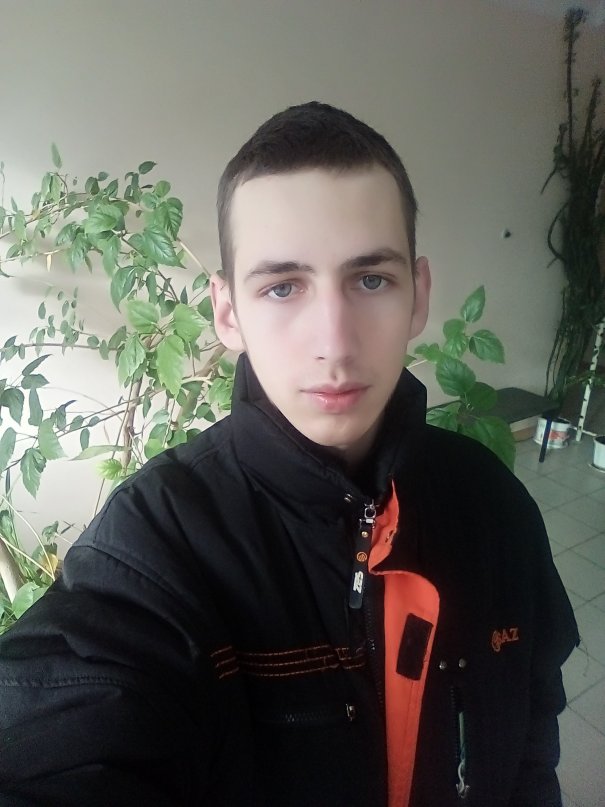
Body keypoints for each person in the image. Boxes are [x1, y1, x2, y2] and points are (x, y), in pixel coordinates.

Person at [0, 102, 578, 807]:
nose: (333, 341)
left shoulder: (491, 502)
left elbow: (532, 732)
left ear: (418, 294)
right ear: (227, 312)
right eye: (281, 287)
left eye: (371, 279)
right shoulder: (157, 542)